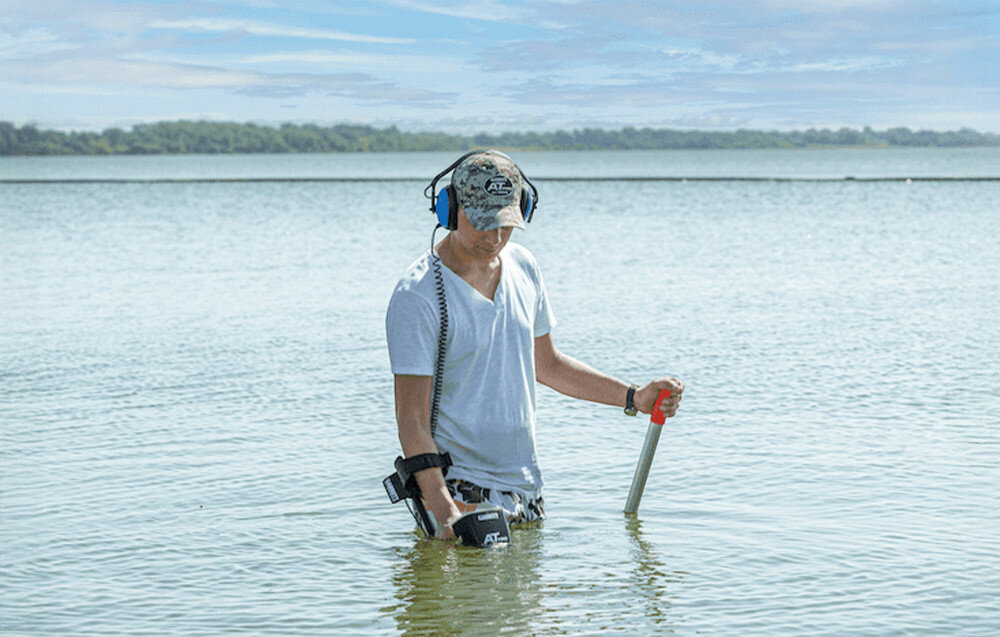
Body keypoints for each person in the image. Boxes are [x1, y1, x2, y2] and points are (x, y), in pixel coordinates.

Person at [386, 150, 683, 540]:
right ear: (449, 209)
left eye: (505, 225)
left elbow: (549, 365)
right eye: (483, 224)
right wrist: (444, 514)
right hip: (459, 498)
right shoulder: (417, 295)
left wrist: (634, 397)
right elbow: (411, 422)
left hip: (528, 492)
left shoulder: (524, 266)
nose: (494, 238)